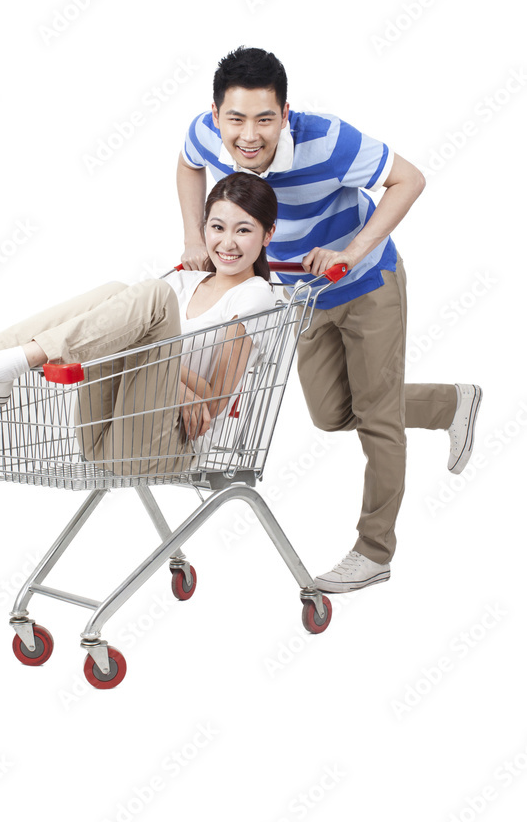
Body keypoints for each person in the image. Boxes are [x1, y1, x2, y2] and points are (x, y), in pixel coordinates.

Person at [176, 46, 482, 592]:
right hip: (303, 294)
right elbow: (187, 163)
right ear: (217, 114)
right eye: (236, 119)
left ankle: (374, 552)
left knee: (378, 420)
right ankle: (451, 403)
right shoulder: (205, 132)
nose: (249, 135)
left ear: (285, 113)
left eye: (265, 119)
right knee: (333, 412)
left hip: (367, 286)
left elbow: (409, 179)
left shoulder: (330, 141)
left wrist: (354, 251)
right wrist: (193, 235)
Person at [0, 173, 279, 477]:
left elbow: (212, 403)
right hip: (103, 438)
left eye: (243, 230)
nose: (227, 243)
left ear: (267, 235)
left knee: (150, 296)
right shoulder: (184, 279)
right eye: (217, 227)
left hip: (167, 444)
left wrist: (163, 372)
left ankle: (4, 366)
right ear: (204, 228)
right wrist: (166, 374)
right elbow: (123, 343)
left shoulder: (254, 295)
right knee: (116, 291)